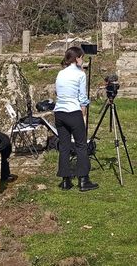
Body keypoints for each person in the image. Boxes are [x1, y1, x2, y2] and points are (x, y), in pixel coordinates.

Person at [54, 46, 99, 191]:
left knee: (64, 146)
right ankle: (83, 179)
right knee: (81, 145)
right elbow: (82, 96)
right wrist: (84, 106)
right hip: (73, 111)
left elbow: (57, 91)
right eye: (82, 58)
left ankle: (65, 180)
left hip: (59, 112)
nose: (83, 60)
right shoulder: (80, 74)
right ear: (77, 58)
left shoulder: (60, 73)